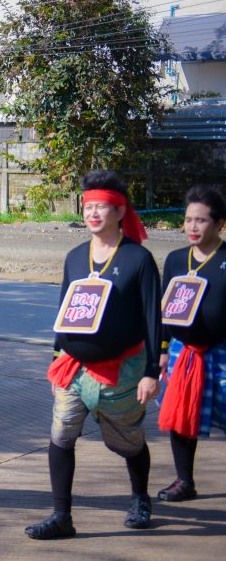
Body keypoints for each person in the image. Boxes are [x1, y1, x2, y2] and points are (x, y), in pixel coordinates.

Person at [26, 170, 161, 540]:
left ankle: (140, 498)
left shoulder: (138, 259)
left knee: (128, 442)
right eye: (88, 207)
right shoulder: (74, 257)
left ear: (120, 211)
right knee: (61, 435)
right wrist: (56, 358)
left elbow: (153, 318)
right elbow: (64, 311)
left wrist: (152, 371)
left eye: (102, 206)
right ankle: (62, 516)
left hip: (122, 371)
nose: (93, 213)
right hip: (73, 367)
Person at [155, 184, 226, 502]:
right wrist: (162, 351)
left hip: (222, 353)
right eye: (188, 220)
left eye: (201, 220)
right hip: (182, 353)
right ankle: (184, 481)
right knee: (181, 416)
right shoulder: (175, 260)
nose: (192, 227)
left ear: (220, 223)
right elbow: (164, 310)